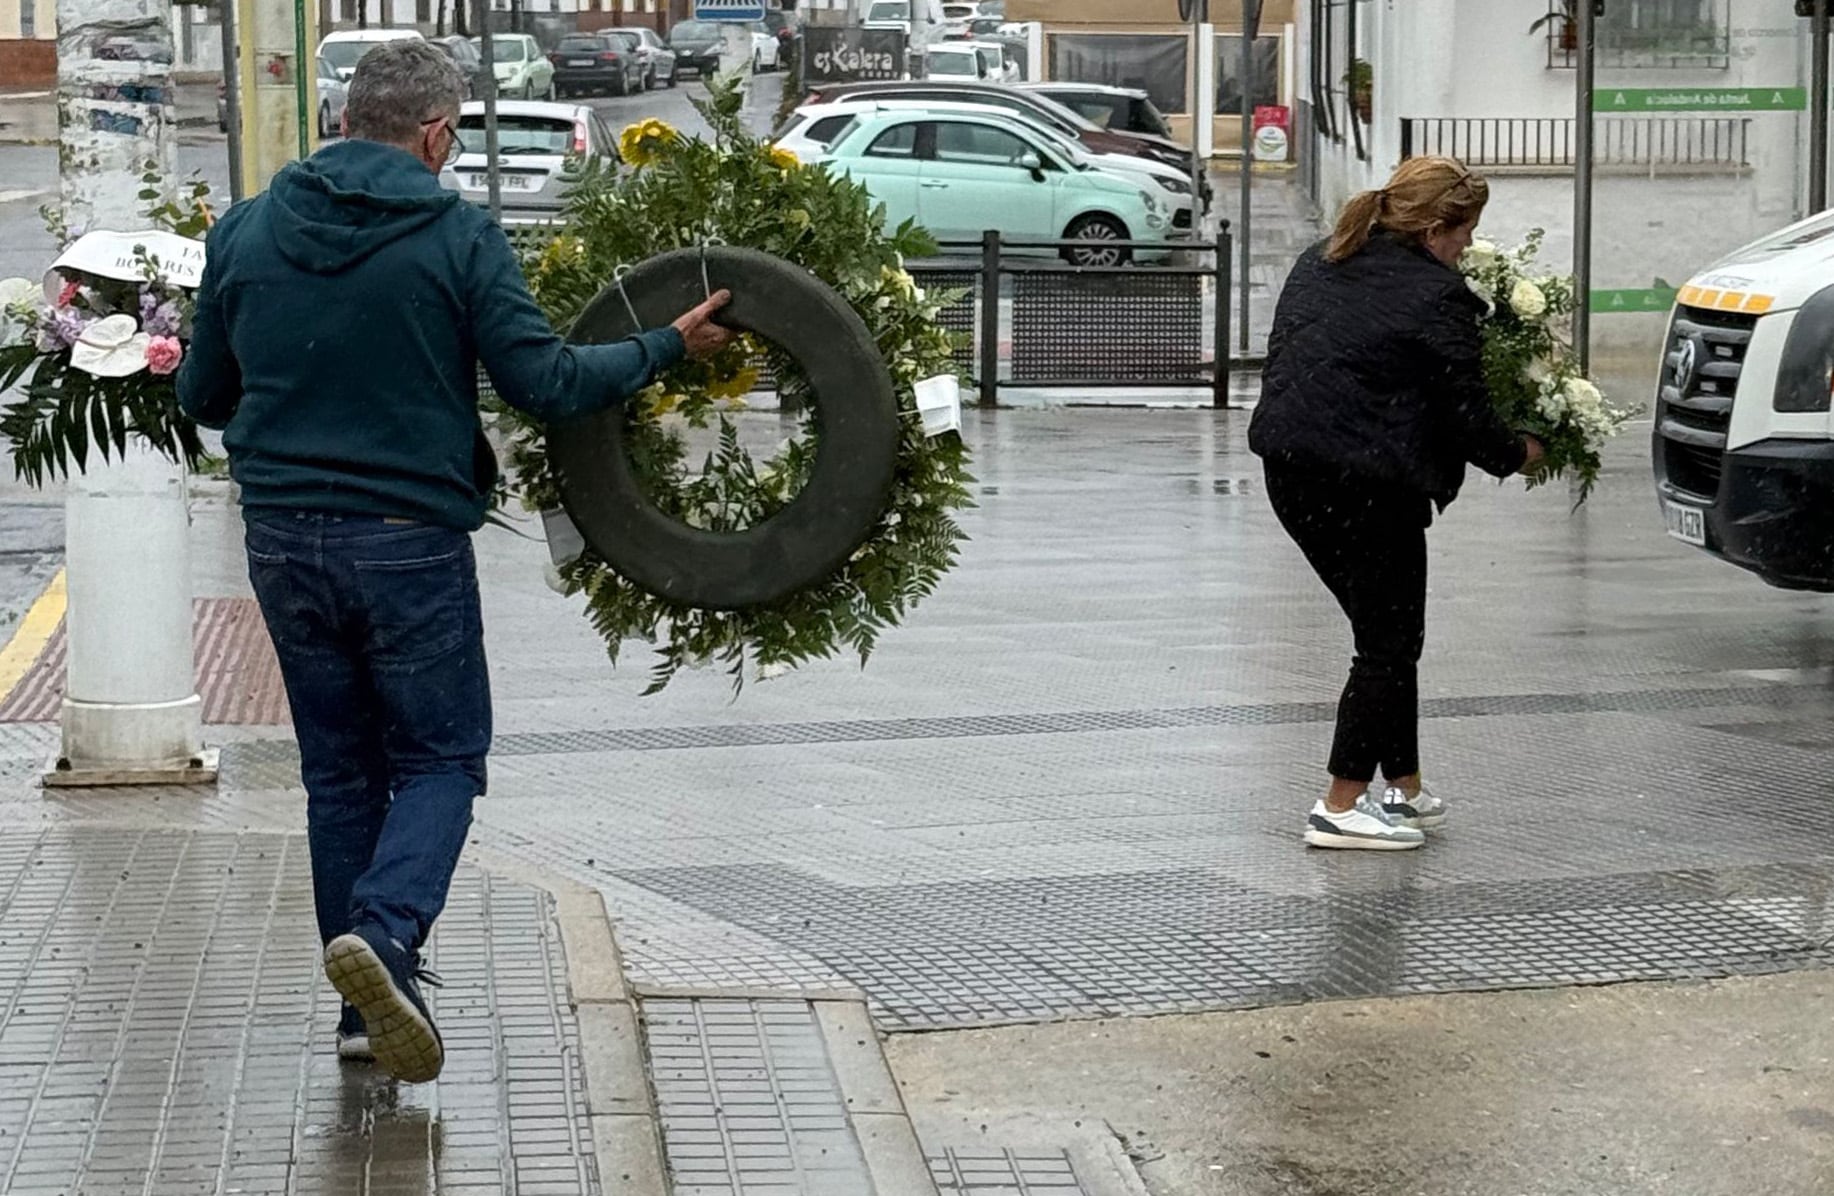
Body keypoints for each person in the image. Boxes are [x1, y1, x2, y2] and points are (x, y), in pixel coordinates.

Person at [177, 40, 735, 1082]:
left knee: (340, 770)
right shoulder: (456, 236)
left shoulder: (247, 227)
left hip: (283, 538)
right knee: (438, 759)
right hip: (405, 543)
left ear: (342, 118)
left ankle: (359, 1017)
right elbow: (546, 383)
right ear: (437, 134)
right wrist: (666, 345)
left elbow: (202, 396)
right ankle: (384, 940)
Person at [1247, 156, 1544, 852]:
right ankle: (1339, 806)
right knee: (1386, 645)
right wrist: (1522, 450)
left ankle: (1403, 789)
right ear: (1436, 227)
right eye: (1466, 232)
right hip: (1365, 484)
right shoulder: (1437, 297)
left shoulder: (1322, 257)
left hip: (1293, 473)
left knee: (1387, 637)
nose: (1468, 246)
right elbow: (1467, 416)